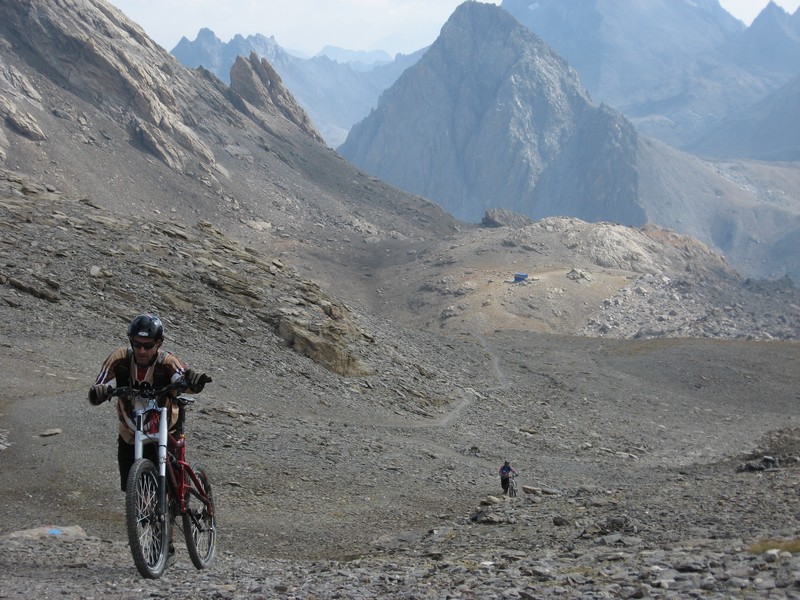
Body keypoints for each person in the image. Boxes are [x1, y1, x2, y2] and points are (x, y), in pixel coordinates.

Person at [88, 313, 210, 492]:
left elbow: (183, 377)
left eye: (148, 346)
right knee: (132, 490)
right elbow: (100, 386)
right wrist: (99, 391)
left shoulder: (167, 362)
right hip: (130, 433)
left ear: (158, 343)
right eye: (137, 344)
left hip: (165, 429)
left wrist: (193, 380)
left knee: (171, 488)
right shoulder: (120, 360)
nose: (141, 350)